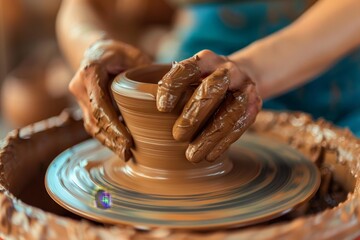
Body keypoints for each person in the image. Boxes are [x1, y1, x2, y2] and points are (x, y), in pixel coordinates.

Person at [57, 0, 360, 162]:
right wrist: (93, 46)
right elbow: (86, 5)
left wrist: (252, 69)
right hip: (197, 69)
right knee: (105, 195)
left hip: (336, 64)